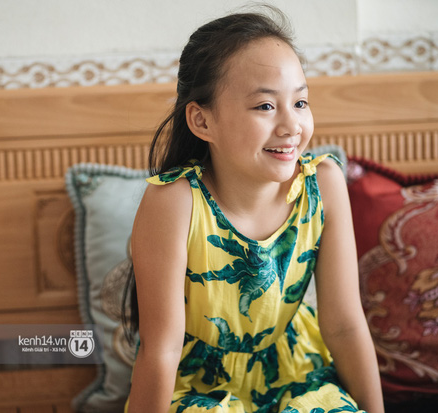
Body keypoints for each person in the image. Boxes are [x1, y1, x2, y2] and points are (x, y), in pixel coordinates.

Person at [122, 6, 384, 413]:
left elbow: (344, 327)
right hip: (197, 386)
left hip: (296, 375)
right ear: (202, 121)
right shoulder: (173, 201)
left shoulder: (324, 184)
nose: (291, 126)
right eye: (265, 106)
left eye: (300, 102)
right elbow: (161, 351)